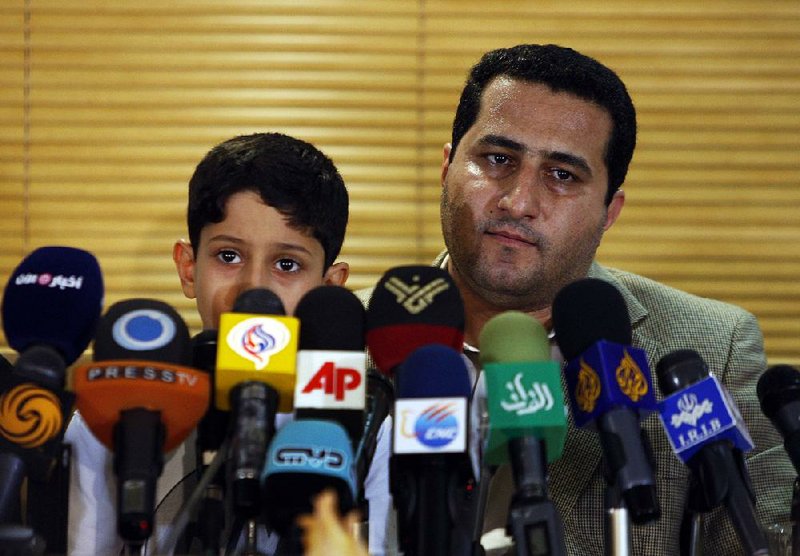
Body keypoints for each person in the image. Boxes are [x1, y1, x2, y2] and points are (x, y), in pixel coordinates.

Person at [363, 44, 794, 554]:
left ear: (609, 212)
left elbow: (760, 540)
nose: (518, 202)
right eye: (497, 159)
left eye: (562, 175)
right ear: (447, 165)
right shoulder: (345, 336)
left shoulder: (710, 349)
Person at [65, 132, 387, 554]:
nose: (253, 290)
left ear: (329, 288)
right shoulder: (120, 410)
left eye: (286, 264)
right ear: (187, 268)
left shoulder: (373, 423)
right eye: (229, 256)